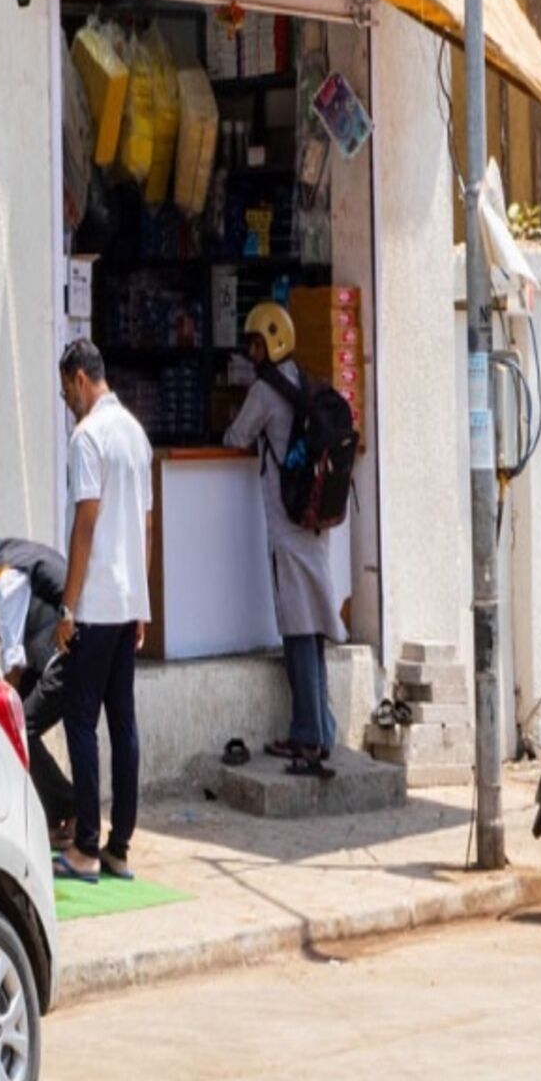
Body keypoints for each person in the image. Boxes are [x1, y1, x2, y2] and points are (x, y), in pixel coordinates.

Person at [223, 300, 351, 777]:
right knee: (312, 629)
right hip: (315, 522)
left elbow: (236, 437)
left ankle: (308, 736)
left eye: (255, 343)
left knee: (298, 629)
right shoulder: (305, 380)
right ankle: (323, 728)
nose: (252, 352)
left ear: (268, 343)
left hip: (286, 523)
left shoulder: (263, 390)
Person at [54, 335, 153, 882]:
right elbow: (146, 525)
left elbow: (85, 522)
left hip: (95, 603)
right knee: (124, 722)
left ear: (79, 378)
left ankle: (87, 847)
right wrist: (143, 602)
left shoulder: (86, 437)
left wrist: (67, 607)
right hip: (128, 600)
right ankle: (120, 846)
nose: (66, 400)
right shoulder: (136, 435)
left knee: (80, 718)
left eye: (66, 388)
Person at [0, 516, 77, 821]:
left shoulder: (5, 574)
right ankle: (60, 812)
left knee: (19, 731)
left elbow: (15, 664)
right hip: (75, 649)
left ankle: (69, 808)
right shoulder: (16, 554)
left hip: (68, 654)